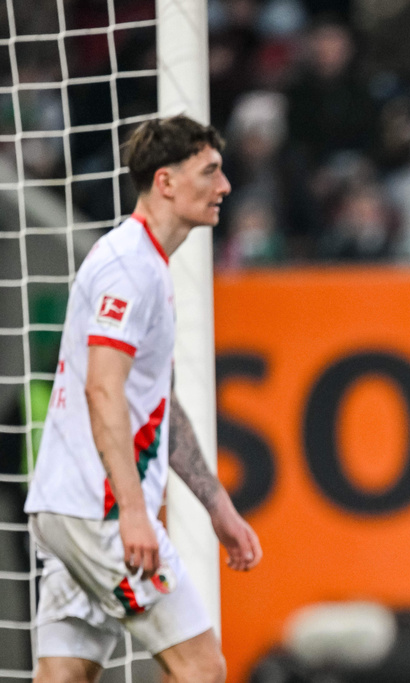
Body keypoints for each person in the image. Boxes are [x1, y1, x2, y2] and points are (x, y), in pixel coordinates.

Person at [24, 115, 262, 683]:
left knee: (64, 674)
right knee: (200, 668)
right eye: (210, 171)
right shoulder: (129, 268)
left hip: (70, 506)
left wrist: (217, 506)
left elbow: (159, 406)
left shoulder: (144, 262)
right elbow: (102, 388)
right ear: (166, 182)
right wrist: (133, 512)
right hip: (100, 510)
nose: (224, 186)